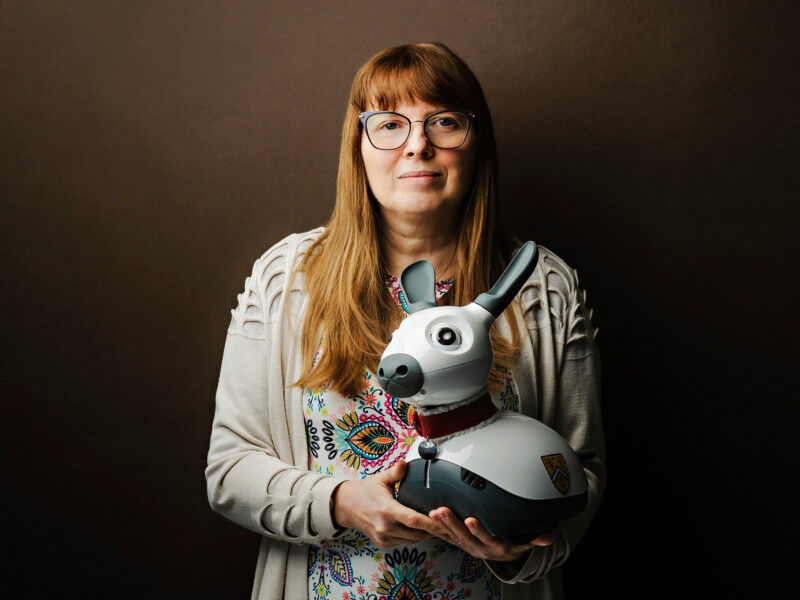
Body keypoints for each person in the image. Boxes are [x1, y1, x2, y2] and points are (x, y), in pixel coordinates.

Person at [206, 42, 605, 600]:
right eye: (390, 124)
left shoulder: (545, 289)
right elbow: (229, 470)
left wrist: (522, 549)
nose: (418, 145)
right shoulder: (286, 280)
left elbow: (581, 472)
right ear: (358, 147)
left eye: (444, 122)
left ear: (476, 143)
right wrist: (341, 503)